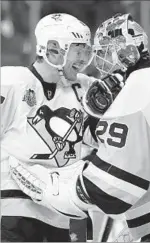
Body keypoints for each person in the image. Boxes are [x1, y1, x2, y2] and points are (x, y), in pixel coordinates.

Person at [9, 13, 150, 242]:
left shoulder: (135, 93)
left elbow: (110, 188)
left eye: (106, 52)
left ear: (125, 52)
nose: (99, 60)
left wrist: (48, 191)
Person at [1, 13, 95, 242]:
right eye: (77, 49)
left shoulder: (85, 89)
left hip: (66, 214)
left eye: (86, 50)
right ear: (53, 48)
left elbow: (104, 140)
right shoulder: (11, 82)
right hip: (16, 210)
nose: (83, 58)